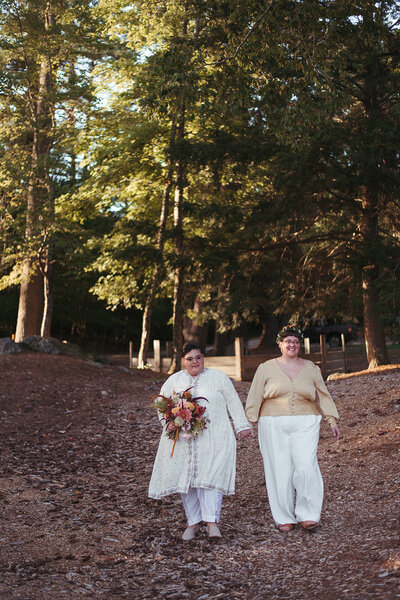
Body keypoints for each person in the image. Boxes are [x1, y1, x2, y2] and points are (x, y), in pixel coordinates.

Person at [149, 341, 252, 540]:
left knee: (209, 477)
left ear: (203, 358)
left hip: (213, 437)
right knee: (187, 481)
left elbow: (233, 401)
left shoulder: (219, 378)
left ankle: (212, 523)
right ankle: (193, 522)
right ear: (183, 361)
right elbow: (160, 403)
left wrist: (242, 426)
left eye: (198, 357)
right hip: (184, 440)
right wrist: (168, 422)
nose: (195, 362)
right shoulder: (174, 380)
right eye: (190, 359)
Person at [245, 325, 340, 532]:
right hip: (272, 423)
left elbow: (323, 394)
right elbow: (255, 395)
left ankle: (308, 514)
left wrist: (331, 420)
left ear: (300, 345)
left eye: (296, 342)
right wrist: (249, 422)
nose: (292, 345)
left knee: (306, 466)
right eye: (288, 341)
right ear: (280, 344)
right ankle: (284, 517)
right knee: (279, 469)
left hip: (306, 422)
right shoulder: (266, 368)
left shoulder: (311, 368)